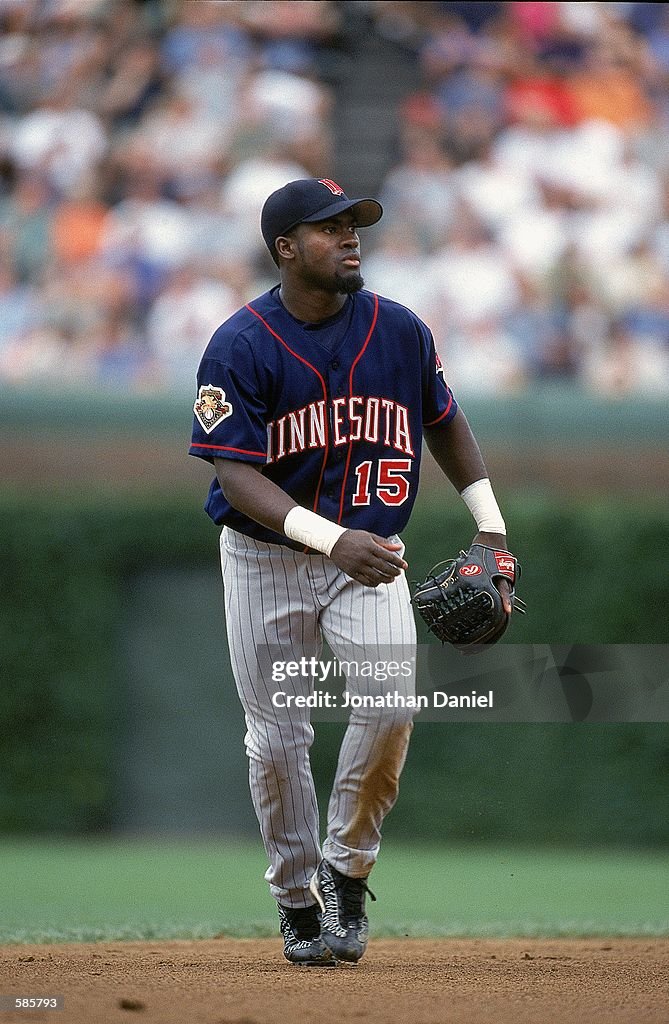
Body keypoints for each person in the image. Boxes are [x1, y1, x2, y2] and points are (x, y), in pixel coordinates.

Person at [189, 178, 511, 967]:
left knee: (391, 703)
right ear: (286, 249)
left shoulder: (399, 331)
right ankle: (295, 899)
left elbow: (445, 422)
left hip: (367, 560)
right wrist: (329, 539)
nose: (350, 237)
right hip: (268, 556)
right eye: (328, 228)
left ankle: (345, 871)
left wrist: (492, 526)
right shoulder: (240, 344)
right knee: (276, 740)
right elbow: (235, 477)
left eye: (353, 224)